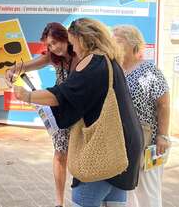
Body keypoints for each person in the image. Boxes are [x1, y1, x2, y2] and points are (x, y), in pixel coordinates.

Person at [11, 18, 143, 207]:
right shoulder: (109, 59)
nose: (74, 49)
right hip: (123, 148)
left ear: (82, 40)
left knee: (82, 199)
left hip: (103, 149)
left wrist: (27, 96)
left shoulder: (93, 61)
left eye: (73, 43)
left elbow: (62, 96)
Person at [5, 22, 79, 207]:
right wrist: (12, 70)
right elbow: (30, 65)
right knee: (60, 154)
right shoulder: (54, 57)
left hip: (81, 112)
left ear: (65, 37)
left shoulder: (80, 55)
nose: (54, 48)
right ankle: (59, 202)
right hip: (60, 111)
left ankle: (82, 196)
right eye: (50, 45)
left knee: (80, 154)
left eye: (56, 42)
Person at [112, 25, 170, 207]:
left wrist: (162, 135)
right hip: (123, 141)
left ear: (133, 44)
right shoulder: (116, 70)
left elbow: (164, 104)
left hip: (148, 141)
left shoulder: (149, 70)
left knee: (148, 193)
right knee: (127, 193)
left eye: (119, 40)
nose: (114, 43)